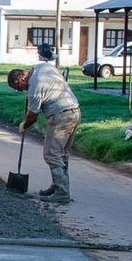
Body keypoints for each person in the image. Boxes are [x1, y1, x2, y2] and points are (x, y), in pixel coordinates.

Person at [8, 59, 81, 203]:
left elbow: (32, 117)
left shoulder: (34, 89)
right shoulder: (43, 66)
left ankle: (62, 193)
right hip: (74, 111)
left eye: (18, 87)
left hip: (60, 116)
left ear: (21, 78)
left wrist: (24, 125)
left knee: (51, 154)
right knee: (61, 154)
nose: (21, 90)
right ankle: (58, 187)